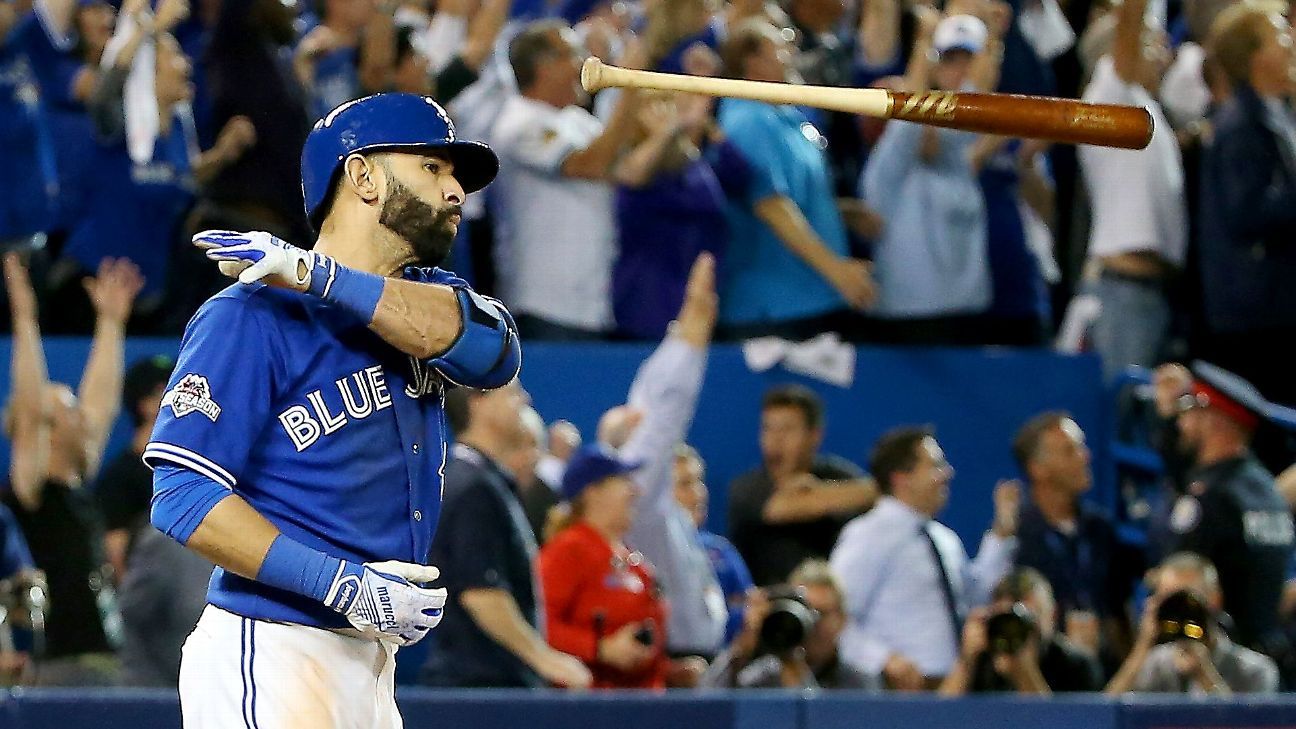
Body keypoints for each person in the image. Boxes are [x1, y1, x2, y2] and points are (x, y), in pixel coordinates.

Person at [146, 92, 520, 727]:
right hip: (272, 647)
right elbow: (181, 497)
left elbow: (494, 353)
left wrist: (320, 276)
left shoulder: (426, 303)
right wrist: (343, 586)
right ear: (363, 176)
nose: (456, 191)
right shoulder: (251, 313)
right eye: (433, 167)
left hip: (371, 668)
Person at [3, 253, 142, 685]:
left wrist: (111, 324)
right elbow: (27, 409)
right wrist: (25, 318)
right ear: (46, 429)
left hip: (105, 655)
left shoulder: (77, 484)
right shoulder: (34, 492)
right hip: (61, 662)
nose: (81, 413)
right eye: (67, 409)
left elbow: (101, 405)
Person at [715, 19, 878, 341]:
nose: (791, 54)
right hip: (774, 307)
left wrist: (839, 212)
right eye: (779, 47)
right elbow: (770, 204)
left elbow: (794, 192)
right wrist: (836, 270)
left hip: (812, 297)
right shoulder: (747, 119)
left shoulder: (786, 116)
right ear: (753, 62)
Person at [424, 381, 591, 688]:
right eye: (512, 392)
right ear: (478, 402)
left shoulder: (483, 481)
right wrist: (546, 660)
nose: (525, 398)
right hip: (481, 691)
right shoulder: (474, 487)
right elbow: (481, 593)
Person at [606, 253, 728, 663]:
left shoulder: (687, 535)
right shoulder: (646, 517)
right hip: (668, 664)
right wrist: (689, 339)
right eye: (681, 483)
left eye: (697, 480)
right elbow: (654, 432)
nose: (695, 493)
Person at [830, 426, 1020, 690]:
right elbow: (834, 619)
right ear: (901, 479)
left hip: (955, 689)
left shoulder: (945, 539)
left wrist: (1000, 535)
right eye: (936, 465)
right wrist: (882, 660)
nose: (947, 473)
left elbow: (975, 600)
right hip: (896, 696)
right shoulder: (867, 535)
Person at [490, 19, 642, 339]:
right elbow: (591, 163)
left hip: (591, 301)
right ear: (543, 67)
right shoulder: (518, 123)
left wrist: (678, 125)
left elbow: (630, 170)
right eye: (574, 55)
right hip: (543, 303)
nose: (582, 65)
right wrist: (629, 84)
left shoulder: (576, 120)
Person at [1150, 361, 1295, 653]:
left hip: (1215, 660)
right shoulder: (1267, 491)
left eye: (1188, 414)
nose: (1181, 425)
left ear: (1214, 420)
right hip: (1269, 656)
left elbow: (1181, 578)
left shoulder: (1211, 498)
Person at [1196, 1, 1296, 407]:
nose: (1290, 44)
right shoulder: (1240, 127)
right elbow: (1246, 212)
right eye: (1279, 36)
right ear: (1255, 57)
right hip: (1257, 318)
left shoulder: (1275, 117)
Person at [1076, 0, 1182, 379]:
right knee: (1120, 413)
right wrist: (1133, 17)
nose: (1164, 51)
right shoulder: (1109, 93)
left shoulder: (1144, 104)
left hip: (1151, 291)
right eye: (1150, 43)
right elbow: (1129, 17)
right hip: (1124, 292)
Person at [537, 445, 670, 689]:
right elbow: (538, 625)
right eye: (624, 481)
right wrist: (599, 648)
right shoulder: (568, 550)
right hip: (588, 709)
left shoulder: (633, 560)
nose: (635, 491)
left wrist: (671, 671)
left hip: (641, 705)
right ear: (592, 492)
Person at [1012, 412, 1138, 658]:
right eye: (1070, 451)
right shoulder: (1017, 538)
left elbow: (1120, 610)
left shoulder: (1101, 529)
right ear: (1038, 469)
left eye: (1081, 447)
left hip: (1106, 673)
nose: (1085, 457)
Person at [728, 384, 877, 587]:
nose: (775, 440)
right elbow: (781, 509)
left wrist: (817, 490)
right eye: (768, 428)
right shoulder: (746, 487)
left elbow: (880, 492)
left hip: (835, 604)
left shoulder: (834, 474)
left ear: (814, 435)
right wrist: (821, 498)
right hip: (770, 607)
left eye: (787, 429)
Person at [1106, 552, 1280, 695]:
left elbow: (1247, 724)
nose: (1180, 611)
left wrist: (1204, 674)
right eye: (1170, 600)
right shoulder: (1155, 665)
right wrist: (1142, 646)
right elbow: (1105, 714)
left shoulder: (1255, 670)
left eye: (1187, 600)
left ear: (1214, 600)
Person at [703, 558, 878, 689]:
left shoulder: (859, 683)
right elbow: (708, 706)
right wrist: (741, 649)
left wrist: (796, 671)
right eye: (806, 611)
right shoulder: (763, 676)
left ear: (842, 620)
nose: (814, 624)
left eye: (821, 614)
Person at [939, 568, 1104, 695]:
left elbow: (1057, 723)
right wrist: (966, 661)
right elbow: (937, 719)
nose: (1018, 631)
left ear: (1052, 615)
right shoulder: (982, 659)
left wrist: (1024, 672)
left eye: (1031, 619)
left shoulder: (1077, 665)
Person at [95, 354, 175, 583]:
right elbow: (115, 554)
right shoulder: (119, 477)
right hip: (151, 600)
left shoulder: (193, 469)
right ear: (144, 404)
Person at [675, 445, 754, 644]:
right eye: (685, 484)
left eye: (699, 481)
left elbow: (748, 605)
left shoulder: (720, 550)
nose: (699, 494)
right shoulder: (642, 552)